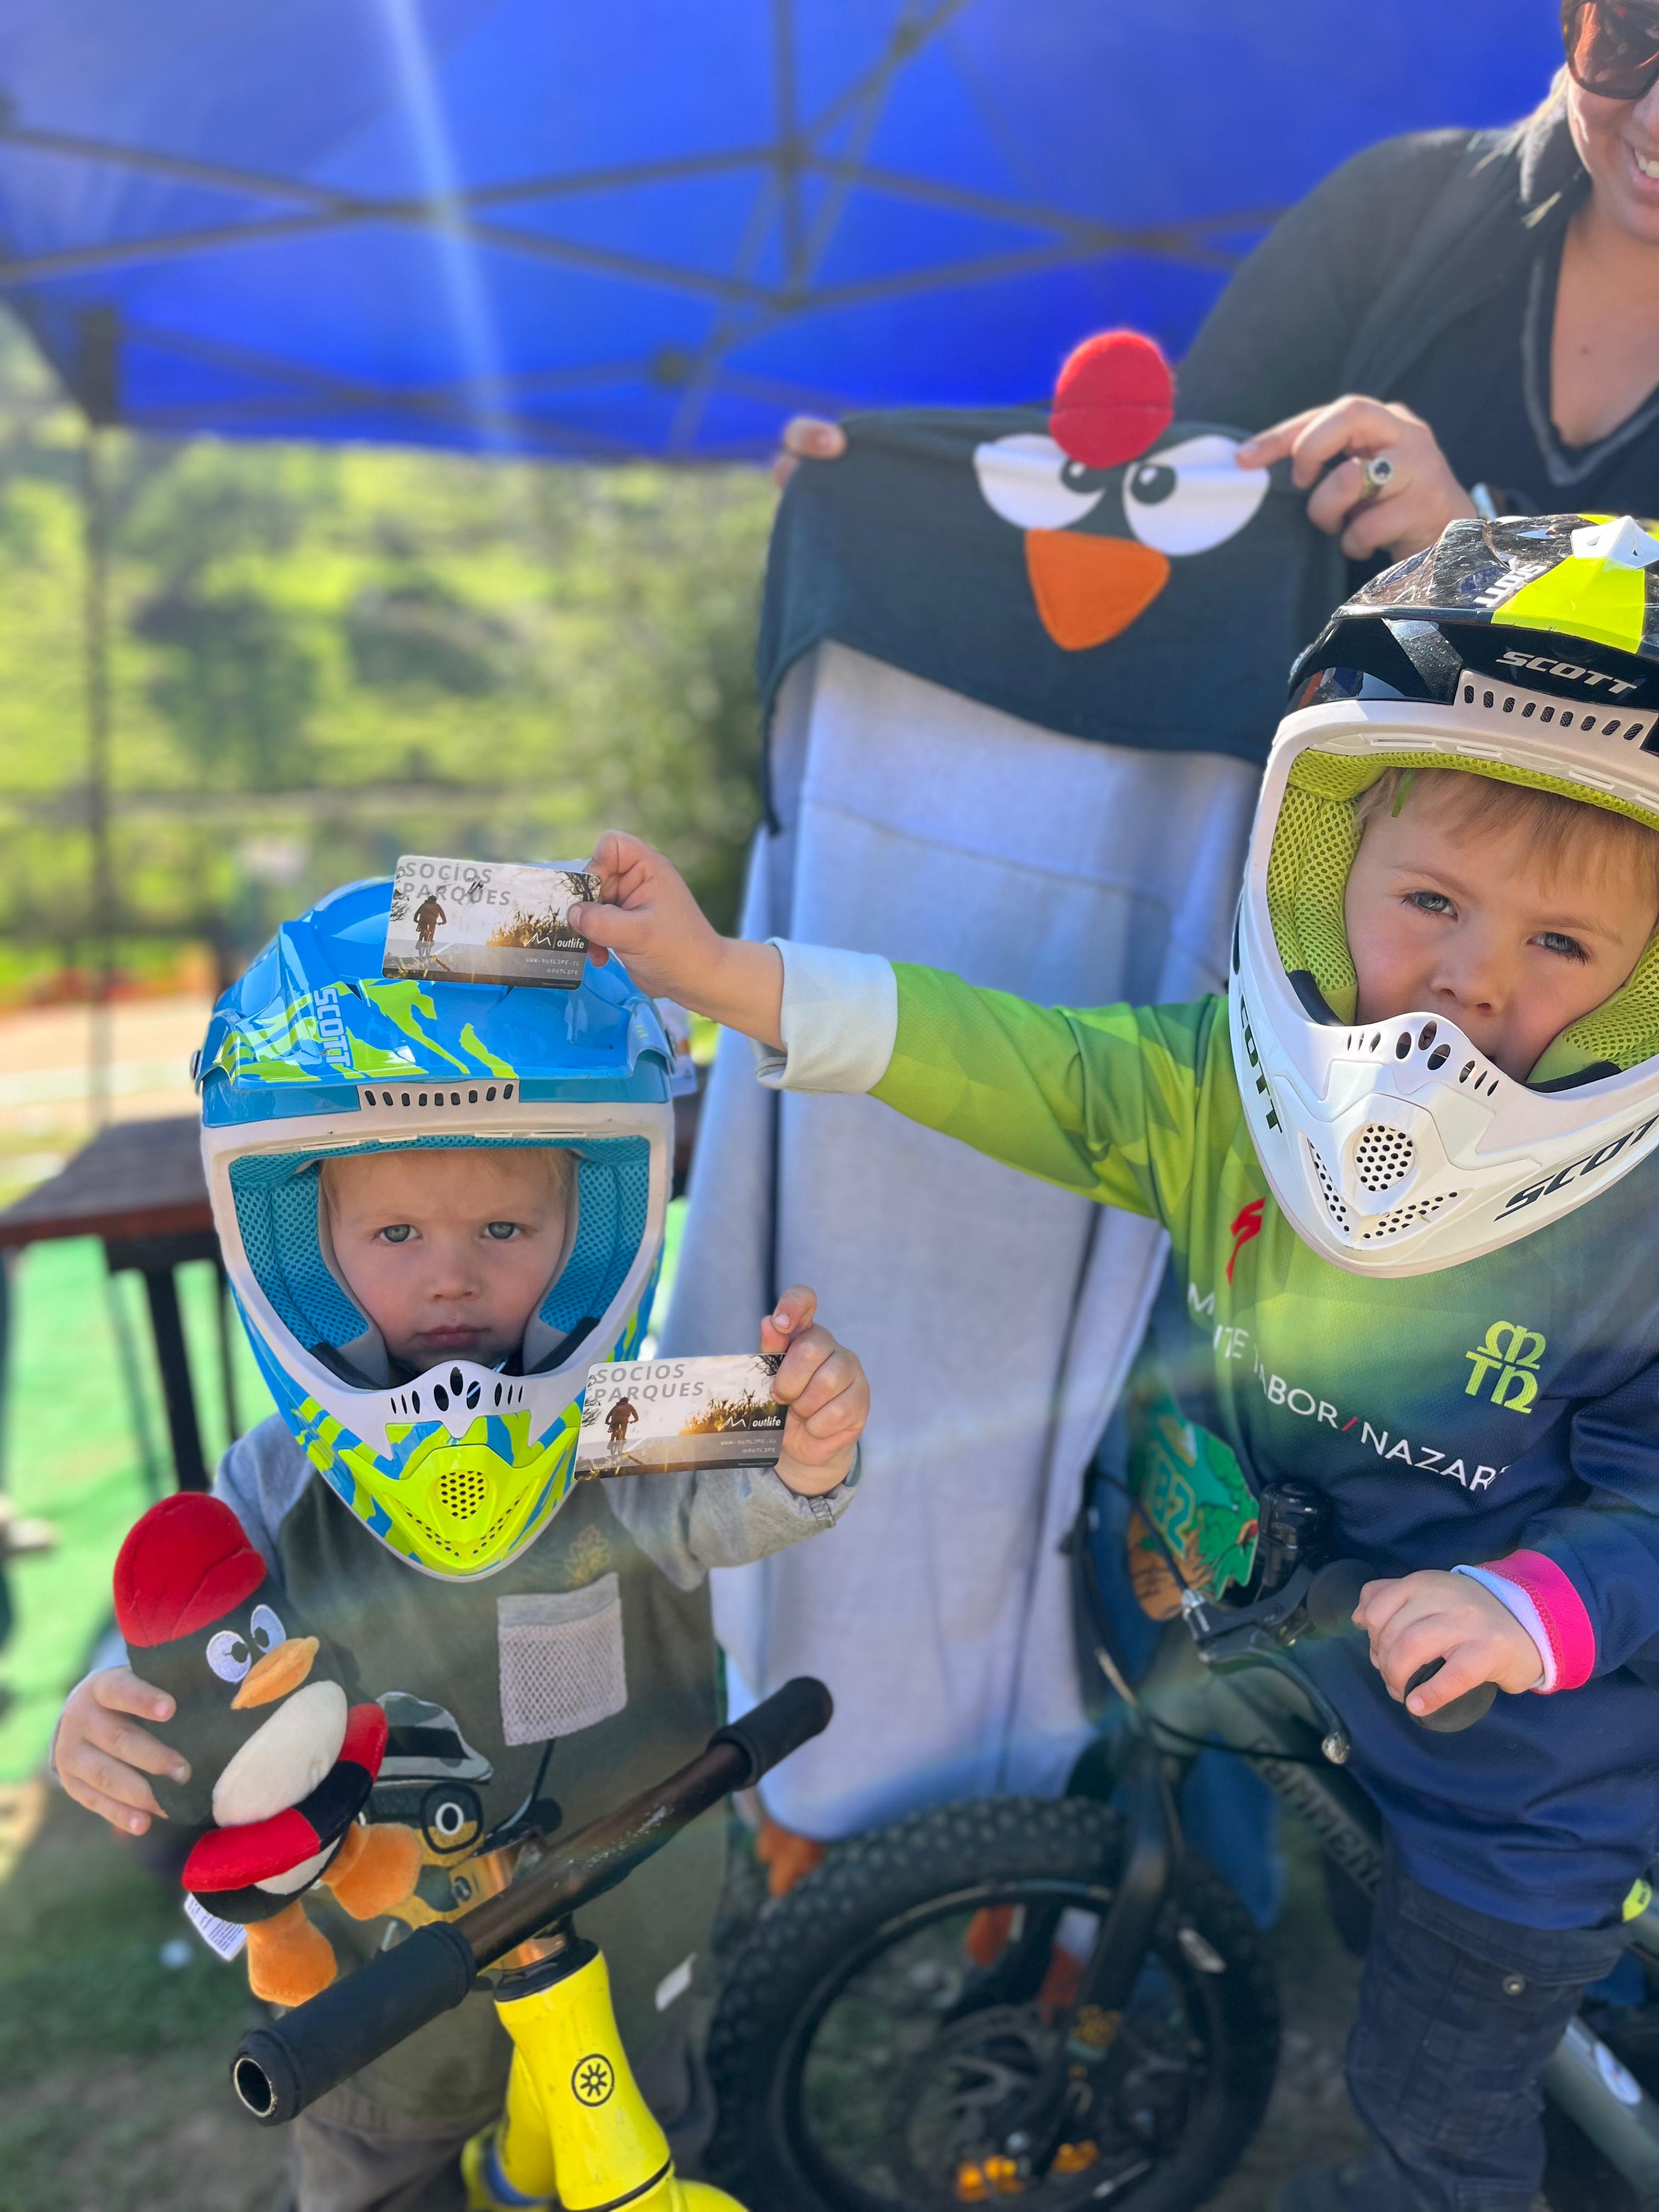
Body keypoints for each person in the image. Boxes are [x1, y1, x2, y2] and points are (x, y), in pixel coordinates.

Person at [569, 512, 1659, 2212]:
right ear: (1321, 867)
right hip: (1327, 1664)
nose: (1468, 983)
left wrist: (1527, 1606)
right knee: (1393, 1939)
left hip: (1523, 1781)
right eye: (1433, 902)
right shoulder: (1229, 1091)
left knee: (1434, 2095)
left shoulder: (1635, 1222)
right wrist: (729, 978)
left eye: (1563, 948)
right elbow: (1005, 1055)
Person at [51, 877, 870, 2212]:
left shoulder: (632, 1412)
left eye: (505, 1228)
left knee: (654, 2159)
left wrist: (813, 1443)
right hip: (379, 2034)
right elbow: (181, 1657)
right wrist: (104, 1714)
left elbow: (760, 1492)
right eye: (395, 1233)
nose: (453, 1276)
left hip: (626, 1974)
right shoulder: (269, 1484)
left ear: (593, 1224)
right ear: (303, 1243)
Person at [777, 1, 1659, 576]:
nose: (1654, 117)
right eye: (1629, 37)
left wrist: (1464, 553)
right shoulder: (1406, 203)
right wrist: (896, 491)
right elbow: (1165, 482)